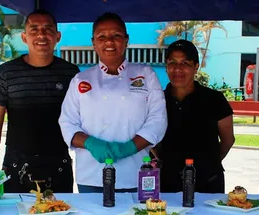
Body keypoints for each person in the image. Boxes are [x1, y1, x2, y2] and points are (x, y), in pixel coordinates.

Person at [59, 12, 167, 193]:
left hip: (135, 172)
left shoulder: (146, 74)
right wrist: (91, 144)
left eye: (116, 36)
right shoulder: (80, 79)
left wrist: (130, 147)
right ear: (93, 42)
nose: (109, 42)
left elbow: (158, 120)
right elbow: (67, 123)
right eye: (102, 37)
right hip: (91, 174)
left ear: (126, 40)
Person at [0, 9, 79, 193]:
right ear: (24, 37)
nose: (41, 35)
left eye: (48, 29)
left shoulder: (71, 73)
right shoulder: (7, 72)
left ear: (58, 36)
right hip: (15, 164)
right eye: (34, 29)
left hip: (58, 164)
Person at [153, 39, 234, 193]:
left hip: (208, 182)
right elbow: (151, 138)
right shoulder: (157, 100)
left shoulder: (214, 99)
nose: (178, 69)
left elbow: (228, 139)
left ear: (196, 67)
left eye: (185, 63)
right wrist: (164, 160)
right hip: (168, 181)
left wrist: (210, 164)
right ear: (166, 67)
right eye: (172, 63)